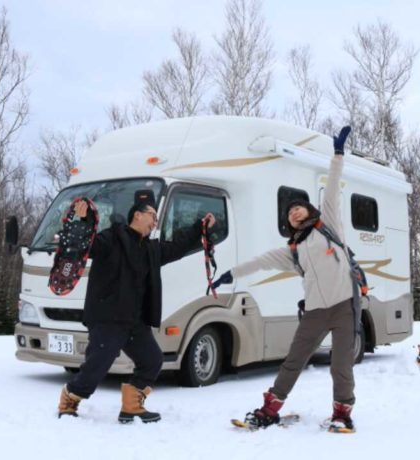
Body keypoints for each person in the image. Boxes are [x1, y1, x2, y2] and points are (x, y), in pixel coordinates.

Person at [211, 126, 359, 432]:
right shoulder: (294, 249)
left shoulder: (327, 225)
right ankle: (270, 408)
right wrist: (231, 273)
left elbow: (332, 187)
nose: (294, 212)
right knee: (293, 361)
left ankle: (342, 413)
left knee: (340, 365)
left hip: (344, 305)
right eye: (290, 211)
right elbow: (261, 261)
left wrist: (338, 155)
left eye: (299, 207)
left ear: (310, 209)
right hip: (316, 311)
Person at [57, 192, 216, 423]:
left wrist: (200, 228)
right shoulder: (111, 238)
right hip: (107, 318)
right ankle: (69, 399)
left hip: (134, 322)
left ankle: (132, 405)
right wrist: (81, 222)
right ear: (137, 215)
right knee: (96, 367)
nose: (154, 221)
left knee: (152, 360)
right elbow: (84, 248)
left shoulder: (151, 249)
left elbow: (178, 246)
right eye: (152, 215)